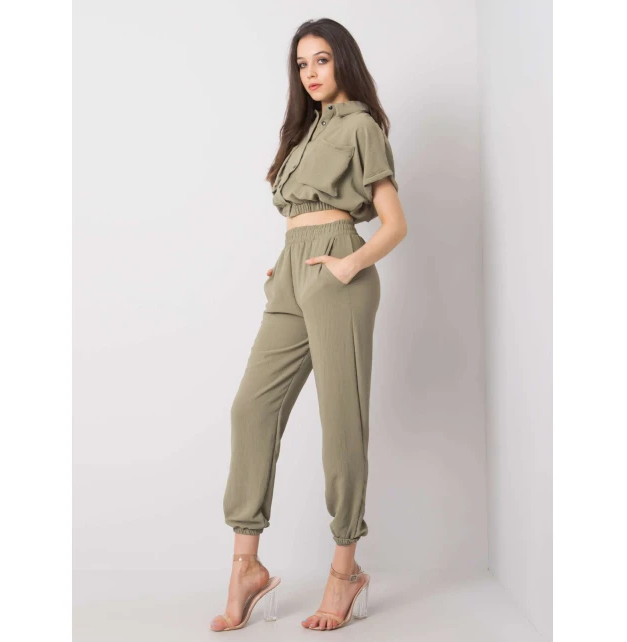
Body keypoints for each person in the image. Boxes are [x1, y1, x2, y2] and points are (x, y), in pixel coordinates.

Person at [210, 17, 407, 632]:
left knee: (341, 422)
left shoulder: (361, 127)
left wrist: (348, 263)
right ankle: (246, 567)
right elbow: (301, 216)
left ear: (343, 60)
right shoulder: (304, 131)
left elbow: (395, 223)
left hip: (338, 273)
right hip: (292, 273)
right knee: (251, 409)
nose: (311, 73)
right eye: (302, 64)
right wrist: (289, 261)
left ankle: (345, 571)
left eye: (321, 59)